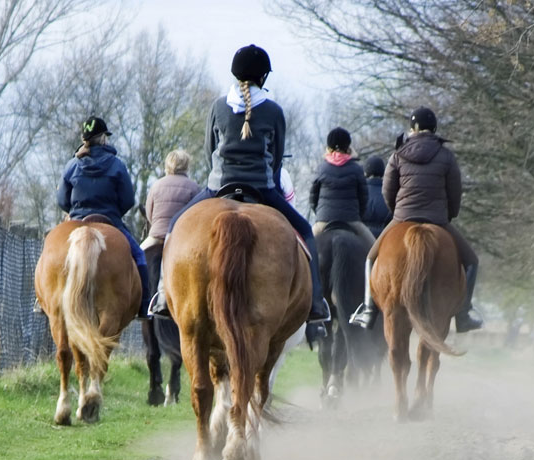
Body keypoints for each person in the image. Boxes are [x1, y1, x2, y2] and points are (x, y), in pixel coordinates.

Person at [148, 44, 330, 335]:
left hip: (218, 186)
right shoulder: (273, 110)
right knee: (306, 232)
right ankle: (317, 303)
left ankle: (162, 296)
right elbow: (277, 157)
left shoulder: (219, 106)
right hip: (262, 188)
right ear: (263, 77)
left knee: (173, 225)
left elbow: (210, 152)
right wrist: (268, 183)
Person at [350, 107, 483, 332]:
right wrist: (448, 215)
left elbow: (387, 190)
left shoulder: (398, 155)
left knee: (370, 259)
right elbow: (455, 191)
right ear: (434, 129)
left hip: (402, 217)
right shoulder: (446, 156)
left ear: (413, 128)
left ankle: (369, 309)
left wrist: (398, 213)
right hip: (438, 219)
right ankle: (463, 314)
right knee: (472, 261)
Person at [57, 115, 149, 319]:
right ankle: (144, 307)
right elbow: (128, 200)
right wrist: (114, 214)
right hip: (110, 221)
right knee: (140, 256)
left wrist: (75, 212)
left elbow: (62, 200)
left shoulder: (73, 164)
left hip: (76, 222)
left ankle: (42, 299)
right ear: (103, 138)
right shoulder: (117, 165)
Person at [309, 127, 374, 249]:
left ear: (329, 146)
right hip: (352, 220)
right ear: (348, 146)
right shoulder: (357, 169)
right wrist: (357, 216)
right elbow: (364, 199)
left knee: (305, 250)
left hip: (323, 221)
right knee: (375, 251)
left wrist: (320, 214)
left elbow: (313, 198)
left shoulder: (321, 168)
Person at [142, 149, 201, 250]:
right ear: (186, 165)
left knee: (137, 257)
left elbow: (149, 214)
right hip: (183, 237)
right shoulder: (194, 187)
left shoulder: (156, 185)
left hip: (156, 236)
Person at [362, 155, 392, 239]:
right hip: (385, 238)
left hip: (363, 237)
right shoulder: (390, 192)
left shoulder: (358, 193)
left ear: (365, 173)